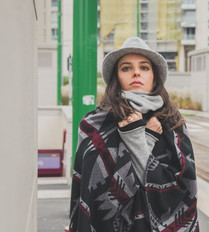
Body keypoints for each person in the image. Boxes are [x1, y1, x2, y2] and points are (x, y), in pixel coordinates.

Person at [69, 37, 199, 231]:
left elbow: (182, 191)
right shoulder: (93, 124)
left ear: (154, 76)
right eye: (126, 68)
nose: (136, 72)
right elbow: (84, 188)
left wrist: (137, 140)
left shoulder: (172, 123)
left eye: (144, 67)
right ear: (116, 76)